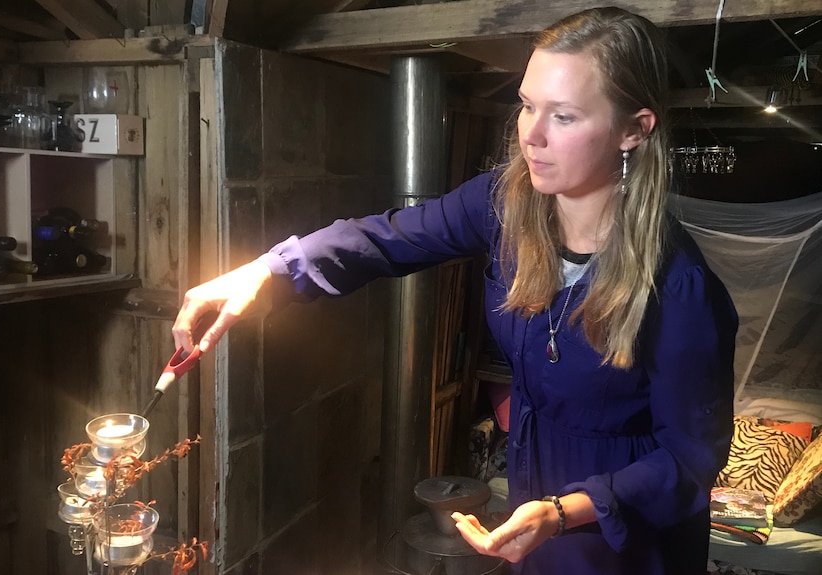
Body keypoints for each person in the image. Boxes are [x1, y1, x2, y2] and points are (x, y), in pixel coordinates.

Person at [172, 6, 737, 575]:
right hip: (533, 515)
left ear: (634, 130)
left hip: (625, 543)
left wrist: (564, 512)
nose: (531, 135)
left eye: (563, 117)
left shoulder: (680, 289)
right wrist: (268, 272)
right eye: (527, 105)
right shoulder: (504, 205)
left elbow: (690, 461)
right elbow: (390, 237)